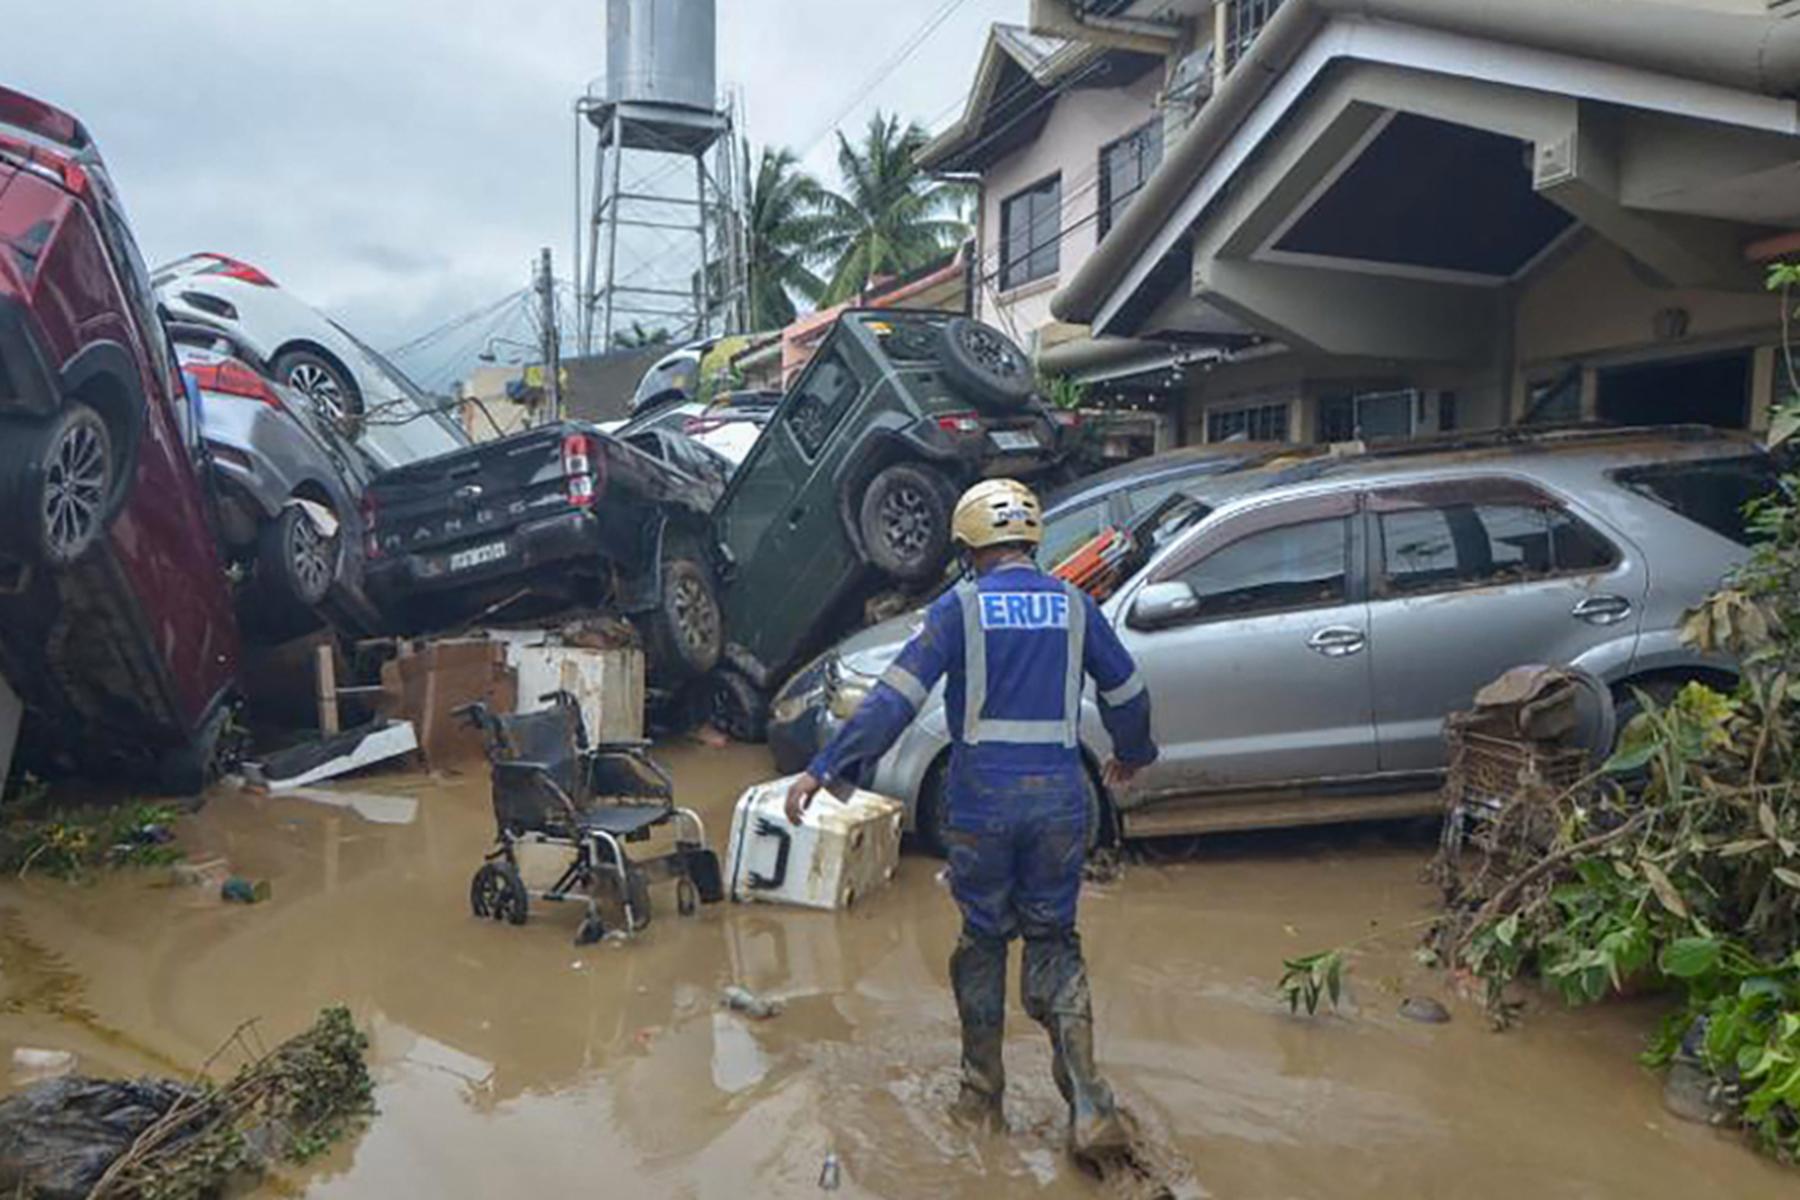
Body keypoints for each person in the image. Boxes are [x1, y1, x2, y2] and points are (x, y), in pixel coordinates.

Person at [785, 478, 1157, 1160]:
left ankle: (981, 1100)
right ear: (1029, 540)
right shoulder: (1076, 605)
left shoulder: (959, 609)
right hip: (1060, 800)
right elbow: (1128, 690)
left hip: (983, 804)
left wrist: (828, 768)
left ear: (969, 546)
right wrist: (1132, 755)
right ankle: (1091, 1106)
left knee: (982, 941)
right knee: (1055, 942)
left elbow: (894, 700)